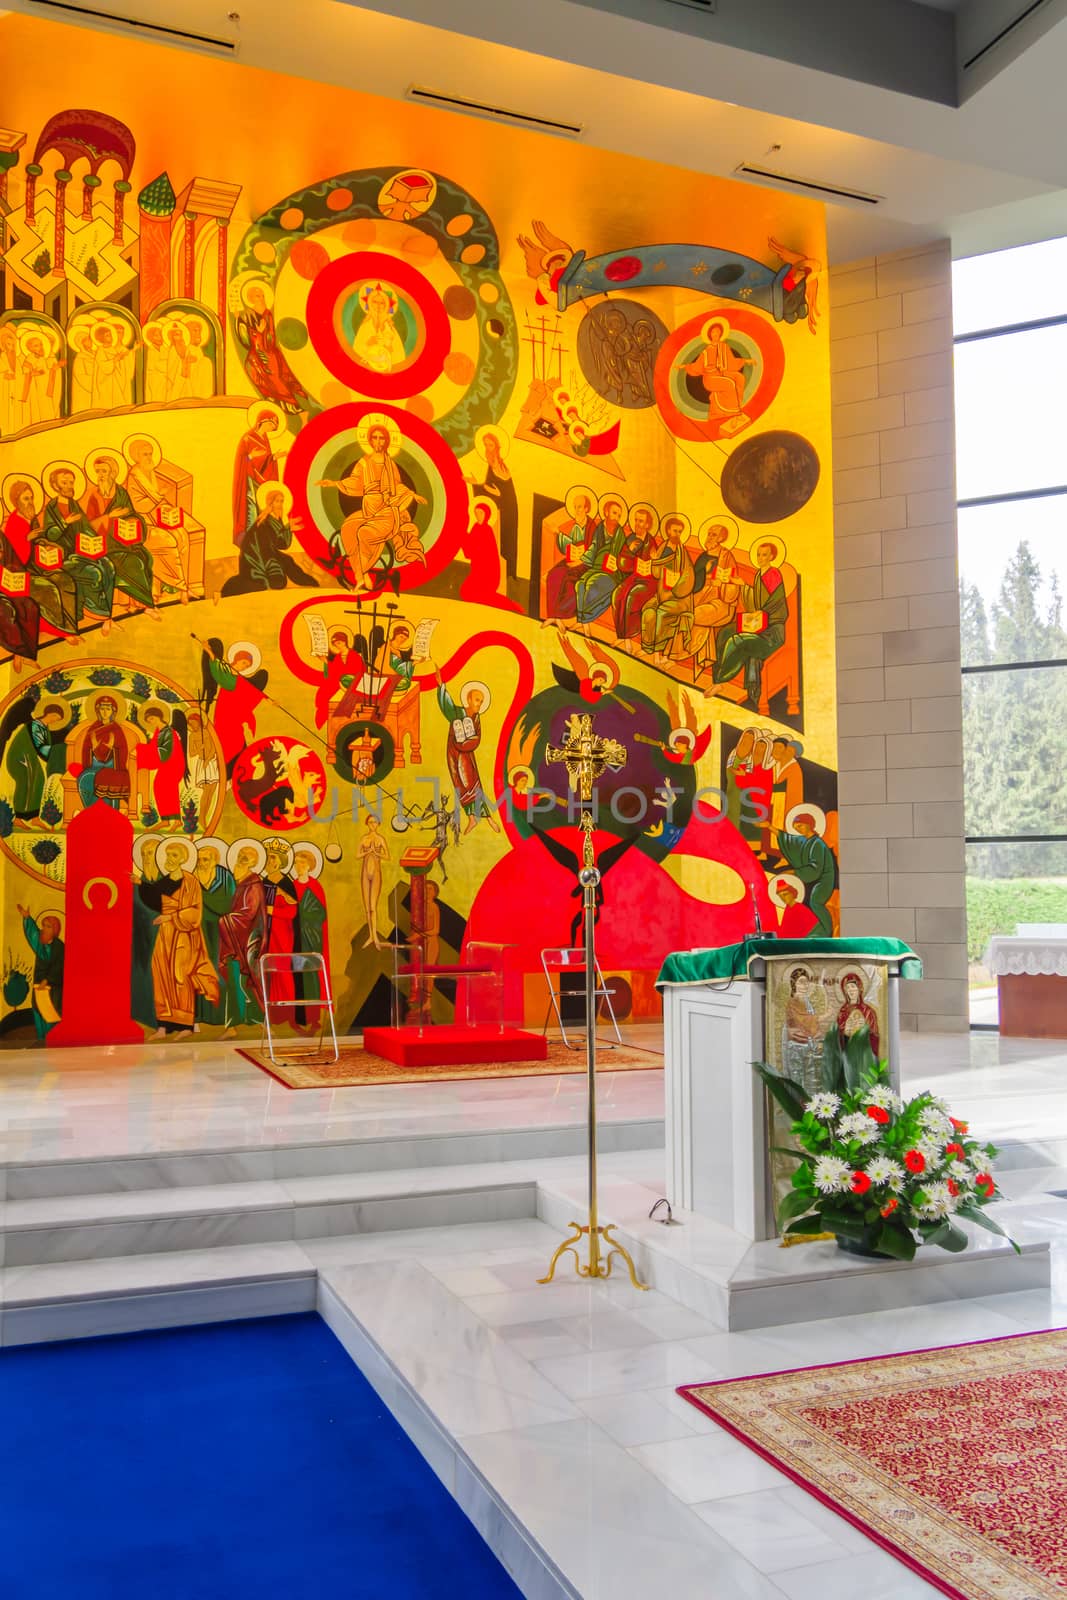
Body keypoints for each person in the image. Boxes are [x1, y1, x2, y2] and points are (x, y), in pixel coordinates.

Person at [316, 422, 426, 592]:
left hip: (386, 508)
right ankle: (360, 576)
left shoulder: (390, 464)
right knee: (348, 528)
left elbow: (397, 486)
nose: (378, 441)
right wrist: (333, 483)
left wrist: (412, 494)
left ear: (387, 441)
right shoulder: (364, 462)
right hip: (369, 507)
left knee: (364, 533)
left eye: (381, 438)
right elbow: (355, 482)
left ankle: (364, 570)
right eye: (374, 437)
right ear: (370, 440)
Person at [148, 839, 219, 1036]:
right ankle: (163, 1025)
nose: (169, 859)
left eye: (174, 855)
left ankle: (186, 1025)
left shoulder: (191, 882)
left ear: (184, 859)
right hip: (165, 935)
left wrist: (171, 916)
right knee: (161, 974)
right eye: (168, 855)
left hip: (185, 935)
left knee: (182, 976)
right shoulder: (162, 882)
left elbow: (195, 913)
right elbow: (151, 899)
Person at [708, 539, 788, 711]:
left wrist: (763, 612)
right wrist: (742, 584)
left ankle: (721, 681)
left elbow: (775, 601)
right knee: (724, 632)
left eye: (764, 555)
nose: (760, 558)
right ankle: (716, 678)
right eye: (758, 554)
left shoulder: (773, 574)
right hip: (758, 623)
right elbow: (756, 601)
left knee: (738, 640)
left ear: (772, 556)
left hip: (772, 631)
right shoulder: (760, 575)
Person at [83, 451, 159, 618]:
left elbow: (132, 515)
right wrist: (109, 517)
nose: (100, 475)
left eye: (104, 471)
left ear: (113, 472)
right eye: (98, 472)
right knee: (133, 562)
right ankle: (147, 604)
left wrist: (132, 522)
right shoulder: (94, 496)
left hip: (125, 541)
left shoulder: (121, 493)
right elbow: (90, 526)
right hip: (105, 545)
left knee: (145, 556)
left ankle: (137, 603)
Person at [41, 466, 116, 632]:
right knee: (94, 572)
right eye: (64, 482)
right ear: (55, 486)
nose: (69, 486)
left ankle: (108, 614)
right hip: (65, 557)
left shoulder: (74, 504)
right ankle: (99, 613)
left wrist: (93, 540)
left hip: (82, 551)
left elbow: (86, 527)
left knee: (109, 566)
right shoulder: (51, 508)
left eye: (71, 482)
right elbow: (50, 535)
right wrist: (65, 523)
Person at [124, 436, 190, 603]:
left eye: (150, 453)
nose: (149, 457)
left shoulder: (150, 473)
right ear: (136, 457)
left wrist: (168, 510)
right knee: (167, 541)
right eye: (145, 454)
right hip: (141, 524)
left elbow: (158, 499)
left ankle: (163, 587)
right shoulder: (135, 476)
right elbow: (138, 505)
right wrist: (160, 496)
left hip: (155, 518)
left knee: (181, 534)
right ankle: (181, 586)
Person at [221, 487, 317, 594]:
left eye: (281, 501)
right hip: (256, 558)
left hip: (267, 553)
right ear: (270, 503)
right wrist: (287, 528)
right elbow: (268, 547)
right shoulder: (264, 522)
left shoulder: (275, 519)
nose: (280, 504)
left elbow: (280, 543)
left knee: (287, 560)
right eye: (277, 501)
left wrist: (288, 528)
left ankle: (308, 582)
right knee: (278, 580)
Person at [435, 671, 499, 834]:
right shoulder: (457, 713)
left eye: (481, 701)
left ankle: (488, 818)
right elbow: (446, 705)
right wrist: (441, 686)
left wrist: (466, 743)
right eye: (477, 700)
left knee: (473, 784)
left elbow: (476, 739)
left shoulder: (477, 719)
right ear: (469, 699)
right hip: (454, 755)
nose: (479, 704)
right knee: (460, 786)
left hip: (467, 755)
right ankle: (471, 818)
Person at [235, 280, 308, 413]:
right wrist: (257, 332)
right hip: (256, 351)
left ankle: (291, 404)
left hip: (269, 350)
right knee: (252, 368)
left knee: (276, 372)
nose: (261, 298)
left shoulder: (268, 313)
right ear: (250, 298)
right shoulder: (247, 314)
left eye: (262, 295)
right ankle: (273, 398)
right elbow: (244, 337)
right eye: (258, 296)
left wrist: (263, 333)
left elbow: (271, 336)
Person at [218, 841, 268, 1032]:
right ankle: (234, 1024)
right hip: (235, 940)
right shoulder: (240, 882)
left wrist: (226, 921)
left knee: (248, 980)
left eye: (244, 859)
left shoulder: (253, 884)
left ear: (252, 863)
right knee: (234, 981)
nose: (239, 861)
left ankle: (257, 1019)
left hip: (246, 942)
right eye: (239, 857)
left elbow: (248, 914)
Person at [199, 638, 268, 775]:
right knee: (227, 746)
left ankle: (233, 774)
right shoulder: (229, 678)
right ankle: (225, 774)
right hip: (225, 719)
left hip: (234, 721)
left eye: (247, 666)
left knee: (238, 746)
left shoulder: (239, 680)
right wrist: (209, 651)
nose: (244, 667)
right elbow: (218, 671)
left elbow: (250, 693)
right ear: (235, 660)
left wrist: (268, 699)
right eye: (243, 663)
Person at [1, 699, 74, 825]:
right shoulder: (35, 725)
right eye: (55, 716)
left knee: (39, 781)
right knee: (26, 782)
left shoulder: (44, 729)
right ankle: (18, 818)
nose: (55, 720)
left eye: (58, 719)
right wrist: (59, 749)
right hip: (19, 758)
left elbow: (44, 750)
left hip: (30, 759)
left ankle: (33, 817)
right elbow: (41, 748)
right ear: (48, 713)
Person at [676, 316, 753, 433]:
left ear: (721, 334)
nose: (715, 334)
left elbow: (731, 362)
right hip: (710, 379)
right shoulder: (707, 351)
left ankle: (734, 407)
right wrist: (685, 366)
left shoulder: (724, 347)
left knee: (739, 378)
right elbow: (697, 366)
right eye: (713, 332)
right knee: (729, 384)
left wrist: (746, 361)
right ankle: (735, 414)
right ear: (710, 335)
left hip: (723, 373)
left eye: (717, 332)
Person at [640, 514, 696, 659]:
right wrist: (654, 561)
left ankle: (659, 654)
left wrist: (677, 582)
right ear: (668, 531)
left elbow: (688, 576)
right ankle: (648, 648)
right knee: (648, 611)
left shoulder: (682, 553)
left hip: (679, 599)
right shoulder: (663, 547)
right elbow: (657, 573)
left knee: (662, 613)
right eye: (674, 531)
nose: (677, 534)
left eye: (679, 532)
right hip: (661, 594)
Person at [773, 810, 836, 937]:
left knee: (815, 901)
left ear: (810, 824)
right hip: (811, 878)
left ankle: (824, 930)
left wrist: (794, 871)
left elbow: (815, 868)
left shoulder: (817, 844)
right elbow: (789, 841)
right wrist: (770, 827)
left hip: (823, 879)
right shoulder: (805, 841)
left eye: (800, 826)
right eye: (796, 828)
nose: (798, 830)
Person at [194, 840, 235, 1029]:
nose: (201, 862)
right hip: (199, 928)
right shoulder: (194, 876)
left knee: (219, 969)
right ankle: (200, 1015)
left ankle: (219, 1016)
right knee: (199, 969)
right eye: (200, 859)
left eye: (205, 859)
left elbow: (229, 901)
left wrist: (203, 898)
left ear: (215, 860)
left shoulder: (225, 877)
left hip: (219, 930)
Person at [73, 693, 134, 812]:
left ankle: (110, 813)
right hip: (94, 765)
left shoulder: (116, 729)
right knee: (84, 777)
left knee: (106, 778)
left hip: (112, 765)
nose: (105, 712)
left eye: (108, 708)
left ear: (113, 711)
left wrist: (109, 748)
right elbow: (86, 750)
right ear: (97, 710)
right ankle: (91, 812)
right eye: (102, 708)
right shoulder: (93, 729)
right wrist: (96, 748)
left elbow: (121, 750)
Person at [690, 523, 740, 663]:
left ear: (721, 538)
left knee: (693, 615)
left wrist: (721, 584)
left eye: (714, 535)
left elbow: (733, 583)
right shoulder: (703, 556)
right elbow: (694, 579)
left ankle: (701, 658)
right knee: (681, 610)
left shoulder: (726, 556)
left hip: (720, 601)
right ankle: (703, 659)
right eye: (709, 533)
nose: (710, 537)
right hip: (699, 596)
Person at [470, 431, 518, 579]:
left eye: (490, 445)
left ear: (496, 446)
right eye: (485, 445)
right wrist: (478, 484)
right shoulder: (492, 462)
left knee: (505, 539)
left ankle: (506, 573)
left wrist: (477, 485)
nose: (487, 448)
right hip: (503, 505)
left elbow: (499, 492)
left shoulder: (497, 463)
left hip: (507, 507)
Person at [232, 407, 282, 547]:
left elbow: (264, 461)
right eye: (271, 425)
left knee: (262, 508)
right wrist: (250, 457)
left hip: (261, 480)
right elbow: (242, 461)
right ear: (263, 421)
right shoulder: (247, 438)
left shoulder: (265, 439)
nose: (271, 429)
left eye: (273, 427)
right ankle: (249, 540)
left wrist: (273, 457)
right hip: (248, 480)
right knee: (251, 509)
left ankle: (260, 539)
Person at [292, 845, 330, 1027]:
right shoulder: (291, 886)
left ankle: (313, 1017)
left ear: (309, 866)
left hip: (312, 938)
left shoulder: (315, 886)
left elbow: (321, 914)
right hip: (296, 938)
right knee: (298, 976)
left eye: (302, 863)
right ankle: (300, 1017)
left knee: (312, 976)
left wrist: (304, 914)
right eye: (296, 863)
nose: (298, 866)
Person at [544, 491, 597, 619]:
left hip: (586, 565)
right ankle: (552, 616)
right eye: (575, 507)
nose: (576, 510)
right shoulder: (575, 527)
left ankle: (560, 615)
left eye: (579, 507)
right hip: (572, 562)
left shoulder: (593, 527)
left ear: (586, 508)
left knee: (569, 584)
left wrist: (580, 561)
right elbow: (569, 545)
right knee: (554, 575)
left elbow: (594, 549)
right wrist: (558, 533)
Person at [574, 497, 627, 624]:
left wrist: (618, 565)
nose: (616, 518)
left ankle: (585, 620)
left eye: (619, 515)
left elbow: (624, 557)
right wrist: (582, 560)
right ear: (606, 512)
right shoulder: (599, 529)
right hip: (596, 567)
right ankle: (581, 620)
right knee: (579, 584)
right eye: (614, 513)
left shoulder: (620, 534)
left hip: (611, 573)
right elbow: (593, 547)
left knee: (592, 584)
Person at [611, 505, 658, 644]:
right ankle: (622, 634)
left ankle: (627, 637)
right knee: (617, 594)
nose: (638, 524)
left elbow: (657, 567)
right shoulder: (630, 539)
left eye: (641, 521)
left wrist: (654, 560)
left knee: (630, 596)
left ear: (648, 525)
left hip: (648, 582)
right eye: (636, 520)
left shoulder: (651, 541)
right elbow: (621, 563)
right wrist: (630, 551)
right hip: (634, 577)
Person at [135, 704, 186, 828]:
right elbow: (153, 748)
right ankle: (166, 819)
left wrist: (141, 750)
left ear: (158, 717)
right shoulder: (159, 732)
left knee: (168, 788)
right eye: (148, 721)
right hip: (166, 765)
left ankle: (176, 820)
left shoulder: (169, 732)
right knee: (159, 787)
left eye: (151, 719)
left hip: (174, 765)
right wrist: (141, 749)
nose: (150, 722)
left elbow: (164, 752)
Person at [262, 839, 298, 1006]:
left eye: (274, 858)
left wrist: (272, 911)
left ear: (281, 862)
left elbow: (292, 911)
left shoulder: (285, 884)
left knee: (282, 968)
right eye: (269, 858)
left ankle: (287, 1003)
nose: (270, 861)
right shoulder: (264, 881)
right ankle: (271, 1004)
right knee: (268, 968)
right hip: (265, 931)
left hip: (281, 933)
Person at [18, 906, 64, 1038]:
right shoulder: (40, 943)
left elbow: (59, 967)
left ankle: (52, 1039)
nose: (43, 929)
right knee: (38, 1012)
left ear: (55, 930)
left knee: (51, 1014)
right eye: (43, 925)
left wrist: (47, 980)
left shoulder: (60, 947)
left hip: (53, 989)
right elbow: (33, 933)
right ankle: (41, 1039)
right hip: (39, 987)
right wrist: (27, 918)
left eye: (48, 926)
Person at [782, 965, 829, 1091]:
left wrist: (818, 1036)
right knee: (798, 1083)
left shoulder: (806, 1001)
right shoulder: (793, 1002)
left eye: (806, 983)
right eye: (801, 983)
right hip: (797, 1048)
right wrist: (822, 1017)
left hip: (809, 1047)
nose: (805, 986)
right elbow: (804, 1021)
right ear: (794, 984)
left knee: (811, 1082)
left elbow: (811, 1023)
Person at [354, 282, 405, 373]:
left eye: (382, 303)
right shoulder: (365, 327)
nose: (378, 305)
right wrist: (368, 343)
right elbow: (356, 349)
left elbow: (399, 355)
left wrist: (388, 347)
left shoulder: (390, 329)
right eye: (375, 302)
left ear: (386, 306)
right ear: (369, 304)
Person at [358, 813, 389, 949]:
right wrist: (367, 851)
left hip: (376, 873)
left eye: (375, 822)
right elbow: (357, 854)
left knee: (372, 907)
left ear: (378, 824)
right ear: (367, 823)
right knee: (366, 908)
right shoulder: (364, 839)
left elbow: (387, 856)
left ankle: (374, 936)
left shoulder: (380, 839)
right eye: (370, 822)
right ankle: (370, 935)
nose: (373, 825)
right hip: (365, 873)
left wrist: (375, 852)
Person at [837, 970, 880, 1056]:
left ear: (859, 988)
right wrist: (845, 1032)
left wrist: (864, 1030)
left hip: (863, 1053)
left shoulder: (868, 1011)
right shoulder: (842, 1012)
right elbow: (837, 1037)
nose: (850, 990)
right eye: (847, 988)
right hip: (848, 1054)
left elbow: (875, 1036)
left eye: (853, 986)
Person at [142, 323, 169, 404]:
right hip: (155, 380)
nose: (160, 338)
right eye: (157, 336)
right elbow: (157, 366)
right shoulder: (149, 351)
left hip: (166, 379)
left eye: (161, 335)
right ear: (150, 338)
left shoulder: (166, 349)